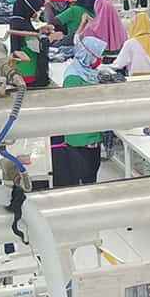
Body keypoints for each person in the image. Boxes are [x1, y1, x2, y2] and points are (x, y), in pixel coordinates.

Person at [52, 38, 109, 187]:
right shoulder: (73, 78)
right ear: (88, 55)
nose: (100, 59)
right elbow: (76, 108)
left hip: (92, 133)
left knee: (92, 172)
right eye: (97, 55)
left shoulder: (87, 72)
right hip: (80, 137)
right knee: (86, 175)